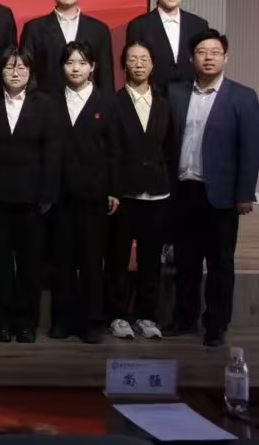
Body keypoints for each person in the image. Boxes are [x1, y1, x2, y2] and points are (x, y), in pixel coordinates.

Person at [167, 29, 259, 347]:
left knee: (220, 263)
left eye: (215, 52)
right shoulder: (176, 93)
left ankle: (216, 324)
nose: (208, 58)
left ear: (226, 57)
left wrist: (244, 193)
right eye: (202, 52)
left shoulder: (242, 96)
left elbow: (250, 149)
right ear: (191, 58)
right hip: (184, 189)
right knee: (186, 261)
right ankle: (184, 318)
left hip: (220, 194)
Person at [0, 47, 59, 344]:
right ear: (0, 72)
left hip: (32, 200)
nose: (15, 73)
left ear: (30, 72)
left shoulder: (45, 104)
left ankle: (25, 324)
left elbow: (52, 153)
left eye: (22, 68)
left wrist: (47, 195)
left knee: (29, 265)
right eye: (9, 67)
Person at [47, 41, 122, 345]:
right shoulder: (51, 101)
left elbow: (115, 151)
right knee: (62, 259)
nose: (75, 68)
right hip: (61, 194)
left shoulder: (107, 103)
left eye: (81, 62)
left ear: (92, 67)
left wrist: (114, 189)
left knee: (92, 261)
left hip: (94, 195)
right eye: (69, 63)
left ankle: (92, 322)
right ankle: (62, 320)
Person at [106, 40, 179, 341]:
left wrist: (171, 189)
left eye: (144, 59)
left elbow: (171, 150)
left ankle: (147, 315)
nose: (138, 64)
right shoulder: (113, 103)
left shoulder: (164, 104)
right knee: (118, 258)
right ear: (124, 64)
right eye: (133, 59)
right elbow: (108, 151)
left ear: (152, 65)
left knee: (151, 259)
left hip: (158, 194)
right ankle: (117, 315)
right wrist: (111, 189)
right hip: (124, 194)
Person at [20, 0, 115, 96]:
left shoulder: (98, 29)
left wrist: (107, 104)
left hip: (87, 102)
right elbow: (27, 71)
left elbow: (105, 75)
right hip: (45, 102)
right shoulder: (34, 28)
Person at [125, 0, 210, 96]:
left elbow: (204, 63)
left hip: (192, 95)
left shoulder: (199, 25)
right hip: (152, 96)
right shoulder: (139, 25)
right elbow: (132, 66)